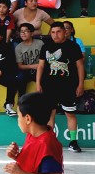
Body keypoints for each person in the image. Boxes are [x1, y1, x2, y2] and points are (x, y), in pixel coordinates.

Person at [36, 22, 84, 153]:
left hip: (68, 86)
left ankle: (73, 142)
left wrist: (81, 84)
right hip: (49, 86)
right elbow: (40, 66)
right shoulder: (46, 46)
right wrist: (38, 83)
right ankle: (49, 142)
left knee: (70, 113)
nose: (55, 35)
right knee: (50, 114)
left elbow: (80, 66)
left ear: (64, 32)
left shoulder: (73, 46)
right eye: (53, 32)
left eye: (58, 32)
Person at [15, 22, 44, 97]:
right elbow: (20, 66)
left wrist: (39, 67)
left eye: (26, 31)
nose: (23, 33)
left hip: (40, 70)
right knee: (20, 77)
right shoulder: (18, 47)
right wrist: (33, 66)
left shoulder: (40, 43)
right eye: (21, 31)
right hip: (26, 71)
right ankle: (21, 100)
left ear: (32, 33)